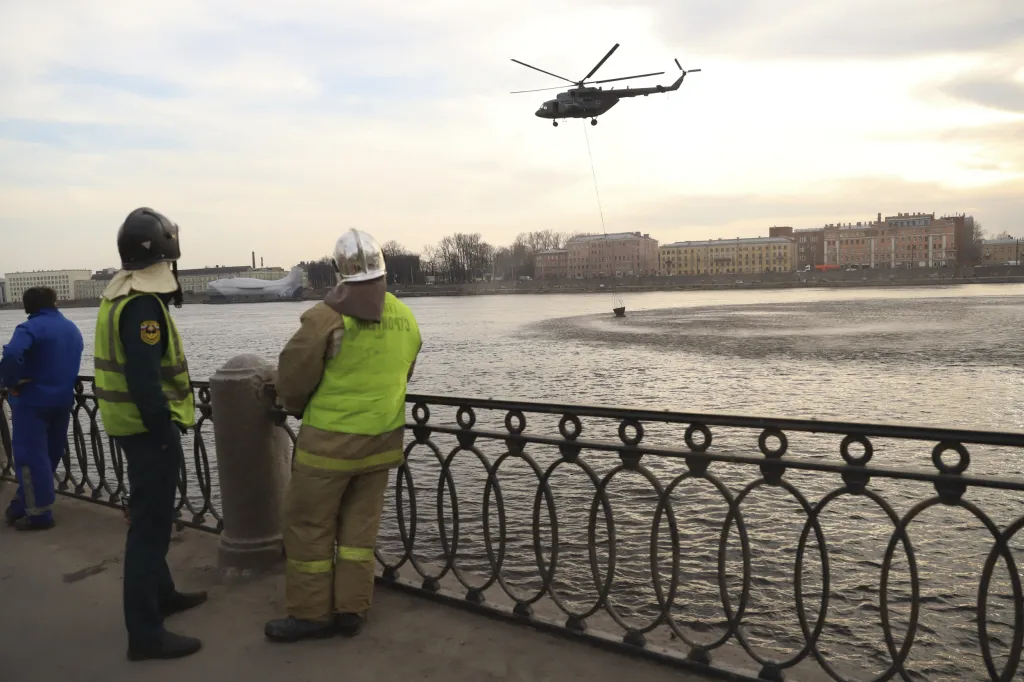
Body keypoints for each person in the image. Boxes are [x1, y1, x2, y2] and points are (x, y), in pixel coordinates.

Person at [265, 228, 421, 643]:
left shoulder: (326, 317)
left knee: (308, 526)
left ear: (339, 271)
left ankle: (310, 615)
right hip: (383, 442)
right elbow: (404, 373)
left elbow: (293, 378)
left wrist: (294, 405)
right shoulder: (404, 317)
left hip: (328, 448)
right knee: (359, 530)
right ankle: (352, 608)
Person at [93, 207, 207, 661]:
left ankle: (163, 595)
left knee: (151, 520)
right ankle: (145, 634)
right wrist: (163, 432)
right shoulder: (144, 305)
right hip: (147, 431)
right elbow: (144, 382)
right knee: (149, 530)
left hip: (129, 427)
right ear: (165, 254)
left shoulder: (119, 297)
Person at [0, 287, 84, 531]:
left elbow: (13, 354)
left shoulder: (30, 328)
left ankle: (38, 515)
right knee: (49, 454)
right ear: (54, 302)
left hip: (32, 401)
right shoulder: (71, 328)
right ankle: (22, 503)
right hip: (62, 400)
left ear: (28, 306)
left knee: (30, 457)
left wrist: (11, 382)